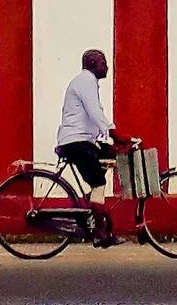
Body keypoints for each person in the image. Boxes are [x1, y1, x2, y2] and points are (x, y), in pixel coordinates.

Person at [55, 48, 130, 248]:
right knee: (98, 183)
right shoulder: (86, 81)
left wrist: (108, 141)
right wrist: (115, 133)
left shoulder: (87, 82)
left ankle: (94, 209)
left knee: (105, 161)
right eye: (102, 62)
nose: (106, 66)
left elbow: (91, 118)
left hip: (81, 140)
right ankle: (98, 234)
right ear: (91, 64)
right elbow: (95, 112)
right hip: (76, 142)